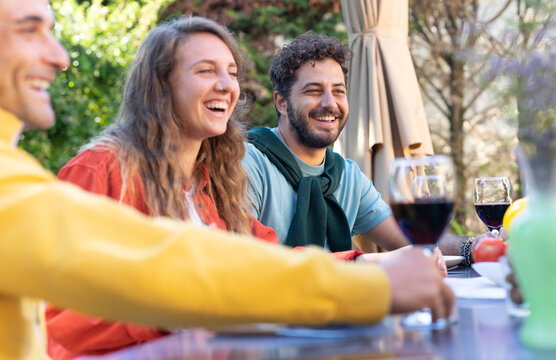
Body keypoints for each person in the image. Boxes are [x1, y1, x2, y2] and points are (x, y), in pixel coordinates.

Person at [0, 1, 454, 358]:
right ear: (159, 87)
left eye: (232, 73)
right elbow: (67, 317)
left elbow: (259, 257)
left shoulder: (211, 182)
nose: (227, 85)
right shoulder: (99, 170)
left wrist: (363, 265)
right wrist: (187, 314)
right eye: (205, 71)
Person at [242, 32, 478, 263]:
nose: (329, 103)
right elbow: (244, 258)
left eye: (338, 91)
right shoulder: (248, 162)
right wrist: (367, 262)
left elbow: (412, 239)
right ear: (281, 103)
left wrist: (474, 247)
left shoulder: (347, 176)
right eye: (313, 91)